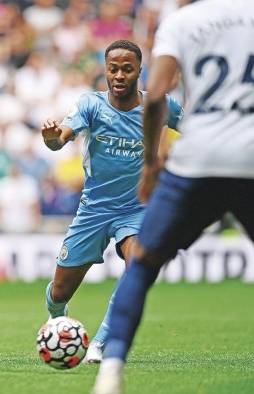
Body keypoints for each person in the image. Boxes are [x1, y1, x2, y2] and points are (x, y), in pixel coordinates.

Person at [93, 2, 254, 393]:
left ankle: (110, 368)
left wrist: (150, 167)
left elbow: (155, 97)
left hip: (196, 159)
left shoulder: (182, 21)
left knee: (144, 261)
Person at [41, 40, 182, 363]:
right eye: (113, 68)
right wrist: (51, 138)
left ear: (139, 72)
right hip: (94, 208)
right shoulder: (91, 105)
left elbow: (194, 129)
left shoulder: (159, 106)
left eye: (127, 69)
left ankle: (102, 341)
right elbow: (60, 138)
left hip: (137, 207)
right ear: (105, 70)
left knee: (139, 267)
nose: (119, 75)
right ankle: (56, 317)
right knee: (60, 290)